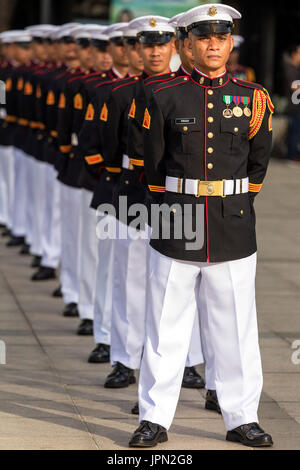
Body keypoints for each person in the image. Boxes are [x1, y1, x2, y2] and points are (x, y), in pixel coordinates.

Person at [129, 3, 274, 448]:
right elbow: (150, 166)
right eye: (205, 37)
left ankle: (241, 417)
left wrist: (230, 199)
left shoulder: (253, 96)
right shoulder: (161, 94)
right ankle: (154, 418)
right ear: (187, 44)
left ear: (230, 43)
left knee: (235, 328)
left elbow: (258, 164)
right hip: (176, 220)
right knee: (165, 326)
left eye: (222, 37)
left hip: (231, 223)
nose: (214, 45)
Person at [284, 44, 300, 162]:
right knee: (294, 131)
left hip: (296, 105)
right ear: (294, 54)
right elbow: (294, 86)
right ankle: (291, 155)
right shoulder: (290, 68)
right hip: (293, 106)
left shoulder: (296, 69)